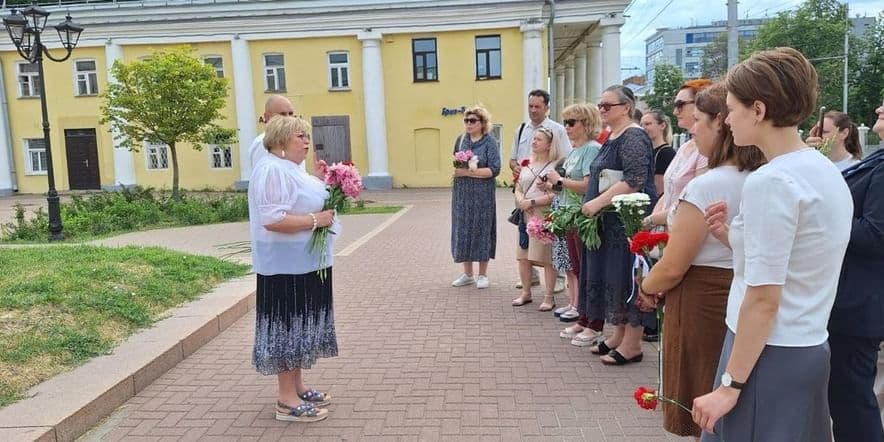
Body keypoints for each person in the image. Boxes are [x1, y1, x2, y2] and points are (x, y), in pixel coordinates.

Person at [693, 48, 853, 441]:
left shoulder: (772, 182)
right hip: (807, 344)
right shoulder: (822, 170)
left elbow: (764, 297)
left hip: (765, 353)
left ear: (759, 111)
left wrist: (730, 386)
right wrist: (732, 237)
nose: (727, 120)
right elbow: (798, 258)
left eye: (731, 109)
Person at [639, 83, 766, 439]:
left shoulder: (708, 185)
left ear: (719, 123)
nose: (692, 129)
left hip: (701, 298)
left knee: (702, 397)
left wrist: (646, 287)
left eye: (698, 120)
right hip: (739, 292)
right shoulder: (759, 176)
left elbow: (675, 265)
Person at [248, 116, 339, 423]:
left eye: (306, 136)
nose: (306, 141)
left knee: (299, 327)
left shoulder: (290, 169)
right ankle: (285, 400)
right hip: (286, 269)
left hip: (305, 264)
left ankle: (296, 387)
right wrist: (316, 220)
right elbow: (273, 219)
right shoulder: (271, 168)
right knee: (288, 327)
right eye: (301, 136)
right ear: (282, 139)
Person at [580, 85, 656, 366]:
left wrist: (598, 202)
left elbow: (634, 179)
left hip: (627, 220)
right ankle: (618, 333)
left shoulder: (633, 137)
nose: (601, 109)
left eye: (607, 105)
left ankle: (633, 344)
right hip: (611, 221)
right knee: (613, 276)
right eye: (600, 105)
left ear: (626, 107)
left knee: (627, 276)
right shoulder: (613, 136)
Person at [827, 97, 884, 441]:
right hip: (852, 296)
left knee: (852, 399)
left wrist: (826, 215)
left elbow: (875, 234)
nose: (879, 107)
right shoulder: (878, 158)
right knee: (845, 396)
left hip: (859, 301)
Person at [536, 104, 603, 326]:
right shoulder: (575, 150)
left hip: (580, 215)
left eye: (572, 122)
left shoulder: (592, 149)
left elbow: (587, 186)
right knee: (571, 265)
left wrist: (559, 181)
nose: (567, 127)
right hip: (567, 214)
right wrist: (551, 187)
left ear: (587, 124)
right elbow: (565, 185)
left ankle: (582, 309)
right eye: (565, 122)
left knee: (580, 266)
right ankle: (575, 303)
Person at [510, 89, 571, 293]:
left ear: (547, 107)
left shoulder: (557, 129)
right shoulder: (521, 129)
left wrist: (553, 179)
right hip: (524, 187)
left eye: (537, 106)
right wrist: (516, 167)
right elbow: (512, 158)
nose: (533, 110)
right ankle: (530, 278)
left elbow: (566, 160)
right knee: (525, 238)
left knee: (549, 239)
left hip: (545, 191)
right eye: (530, 106)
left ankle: (558, 278)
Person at [644, 80, 712, 229]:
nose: (675, 111)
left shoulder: (706, 150)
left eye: (680, 105)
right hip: (669, 226)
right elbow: (668, 191)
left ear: (701, 103)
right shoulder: (686, 146)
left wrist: (650, 221)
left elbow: (695, 201)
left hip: (685, 229)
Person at [450, 105, 502, 288]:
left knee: (482, 229)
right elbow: (456, 166)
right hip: (462, 194)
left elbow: (494, 169)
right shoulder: (461, 140)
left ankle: (482, 275)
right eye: (466, 120)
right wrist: (462, 172)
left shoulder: (490, 142)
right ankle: (467, 274)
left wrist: (468, 173)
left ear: (482, 123)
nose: (468, 124)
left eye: (473, 121)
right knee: (463, 230)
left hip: (483, 195)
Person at [512, 127, 562, 311]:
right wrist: (521, 200)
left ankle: (549, 296)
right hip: (525, 214)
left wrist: (533, 201)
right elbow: (518, 186)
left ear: (549, 144)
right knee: (523, 255)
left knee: (546, 256)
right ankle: (526, 292)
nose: (534, 142)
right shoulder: (527, 163)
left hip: (543, 214)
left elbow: (557, 193)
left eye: (539, 140)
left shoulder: (554, 166)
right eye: (533, 139)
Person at [249, 95, 298, 169]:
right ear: (267, 117)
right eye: (282, 114)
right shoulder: (264, 143)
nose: (288, 118)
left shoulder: (293, 141)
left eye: (290, 114)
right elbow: (263, 176)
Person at [640, 110, 676, 199]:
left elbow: (660, 190)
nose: (643, 128)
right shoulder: (646, 151)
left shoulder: (666, 153)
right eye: (641, 125)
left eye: (648, 124)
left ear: (662, 126)